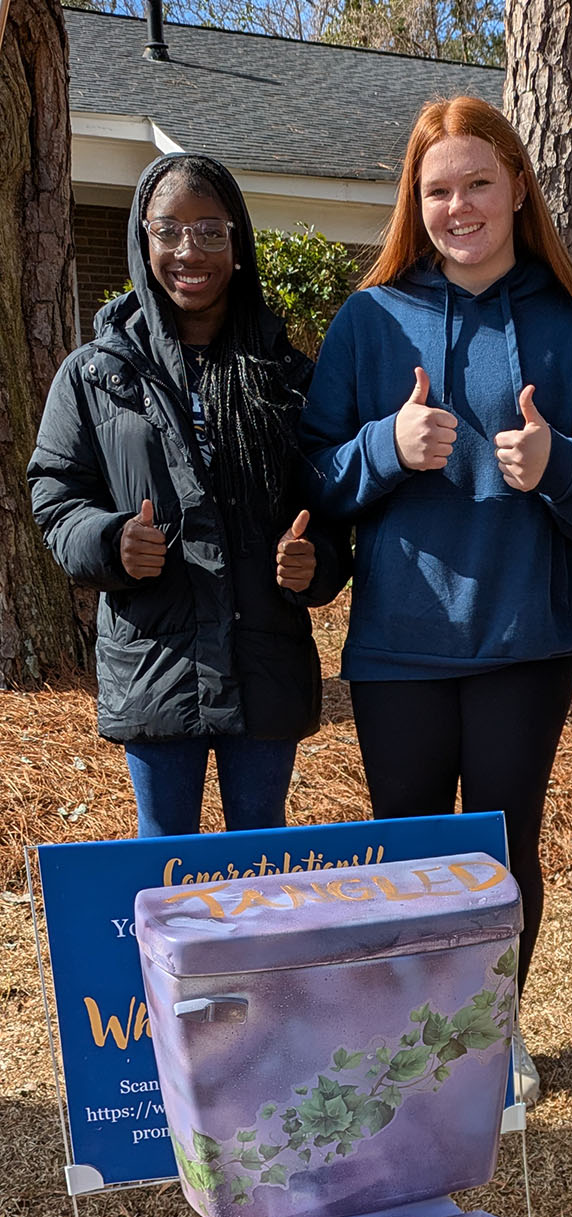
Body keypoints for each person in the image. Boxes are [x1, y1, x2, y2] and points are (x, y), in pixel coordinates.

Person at [300, 95, 572, 1106]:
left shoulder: (571, 332)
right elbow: (312, 479)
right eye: (438, 189)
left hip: (522, 643)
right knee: (407, 856)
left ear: (517, 187)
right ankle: (411, 1038)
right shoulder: (371, 319)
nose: (459, 206)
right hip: (397, 645)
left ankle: (491, 1036)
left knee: (500, 853)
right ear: (417, 201)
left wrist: (557, 463)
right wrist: (380, 450)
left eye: (478, 182)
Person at [29, 154, 351, 838]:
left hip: (264, 658)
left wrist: (313, 563)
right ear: (142, 242)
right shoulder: (94, 375)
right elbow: (56, 497)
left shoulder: (286, 375)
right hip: (156, 660)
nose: (189, 251)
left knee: (260, 859)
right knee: (165, 860)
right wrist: (112, 542)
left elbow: (328, 506)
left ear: (237, 245)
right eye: (168, 230)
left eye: (210, 231)